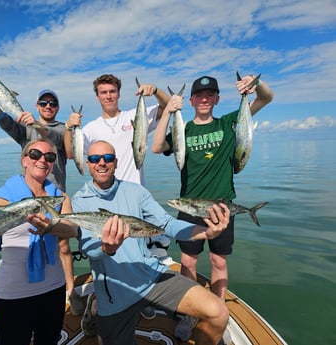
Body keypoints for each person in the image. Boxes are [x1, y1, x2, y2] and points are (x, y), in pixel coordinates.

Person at [152, 74, 274, 342]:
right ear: (192, 100)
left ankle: (219, 307)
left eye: (210, 95)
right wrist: (168, 113)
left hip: (222, 206)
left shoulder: (231, 123)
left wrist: (255, 85)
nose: (204, 99)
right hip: (190, 205)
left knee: (219, 260)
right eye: (199, 96)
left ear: (217, 99)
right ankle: (188, 311)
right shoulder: (183, 129)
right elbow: (156, 146)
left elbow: (266, 98)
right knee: (188, 260)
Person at [72, 140, 231, 345]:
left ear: (116, 162)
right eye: (95, 159)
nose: (101, 163)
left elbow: (166, 223)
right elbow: (88, 249)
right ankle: (95, 304)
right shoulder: (80, 201)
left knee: (218, 312)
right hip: (115, 292)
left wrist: (205, 232)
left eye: (108, 158)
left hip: (151, 277)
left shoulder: (135, 192)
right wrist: (106, 248)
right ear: (88, 163)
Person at [0, 139, 79, 345]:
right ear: (24, 160)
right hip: (14, 294)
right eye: (35, 154)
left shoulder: (60, 197)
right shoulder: (2, 199)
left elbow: (72, 229)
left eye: (49, 157)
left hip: (53, 289)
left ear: (53, 164)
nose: (42, 160)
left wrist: (51, 227)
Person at [64, 74, 170, 321]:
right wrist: (70, 128)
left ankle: (140, 295)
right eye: (103, 92)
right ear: (97, 96)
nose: (108, 96)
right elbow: (71, 153)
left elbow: (166, 108)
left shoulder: (134, 116)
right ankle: (102, 300)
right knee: (105, 257)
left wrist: (155, 91)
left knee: (139, 250)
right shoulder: (89, 128)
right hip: (103, 201)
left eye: (112, 91)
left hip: (133, 198)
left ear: (119, 93)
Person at [0, 78, 84, 316]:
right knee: (26, 240)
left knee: (63, 245)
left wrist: (38, 123)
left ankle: (70, 289)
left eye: (52, 103)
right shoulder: (25, 129)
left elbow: (57, 141)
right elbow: (3, 121)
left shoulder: (61, 129)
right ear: (37, 105)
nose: (48, 106)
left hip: (55, 196)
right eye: (44, 102)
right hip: (30, 195)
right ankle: (24, 291)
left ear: (56, 107)